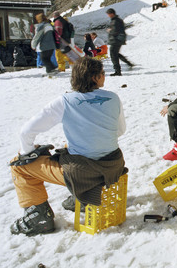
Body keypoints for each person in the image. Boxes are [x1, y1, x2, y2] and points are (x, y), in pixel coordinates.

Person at [9, 57, 126, 236]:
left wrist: (27, 154)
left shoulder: (65, 101)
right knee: (70, 147)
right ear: (94, 77)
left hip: (84, 173)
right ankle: (79, 196)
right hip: (113, 166)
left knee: (19, 166)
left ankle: (39, 216)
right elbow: (119, 131)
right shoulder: (113, 98)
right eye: (102, 73)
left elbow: (26, 132)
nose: (104, 76)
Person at [106, 8, 134, 76]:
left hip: (116, 40)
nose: (108, 16)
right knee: (116, 53)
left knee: (113, 54)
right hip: (119, 40)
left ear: (111, 14)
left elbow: (115, 31)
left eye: (108, 14)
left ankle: (117, 71)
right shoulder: (117, 20)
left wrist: (110, 31)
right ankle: (128, 63)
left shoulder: (115, 21)